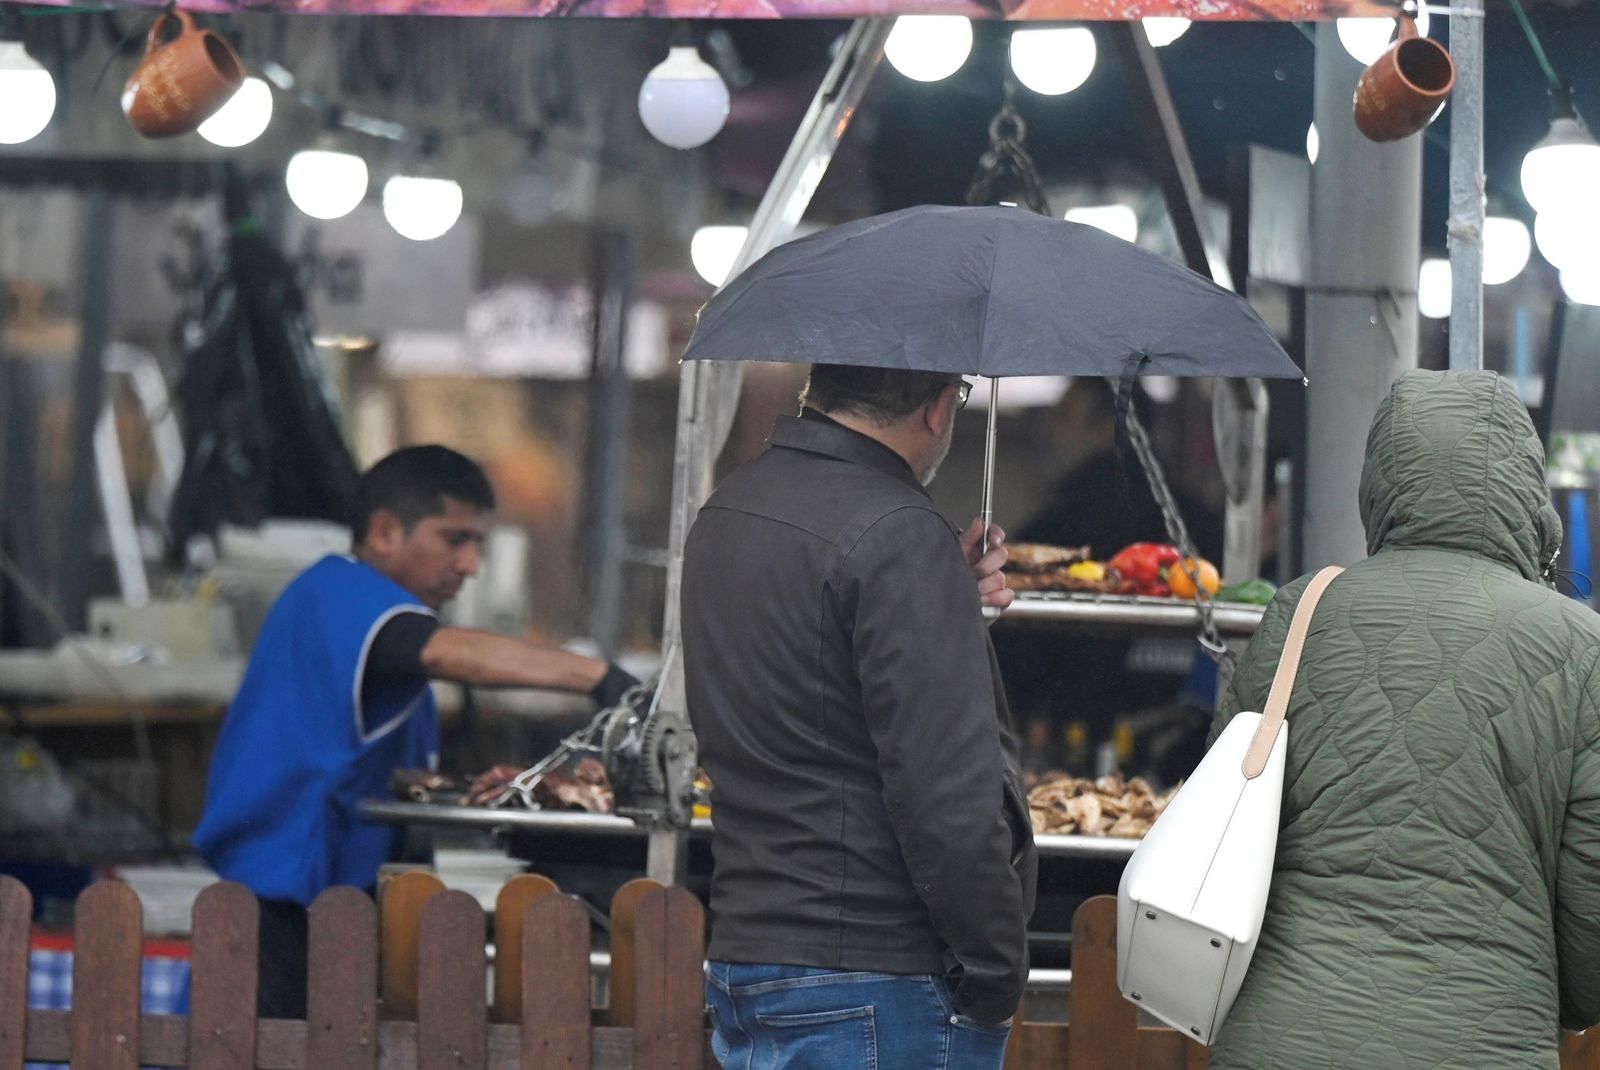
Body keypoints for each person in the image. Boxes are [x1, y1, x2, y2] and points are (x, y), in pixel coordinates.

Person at [1208, 370, 1600, 1068]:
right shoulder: (1581, 649)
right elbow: (1592, 915)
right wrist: (1538, 991)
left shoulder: (1298, 613)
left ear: (1380, 483)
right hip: (1482, 1041)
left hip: (1282, 1040)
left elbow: (1222, 825)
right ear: (1526, 489)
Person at [192, 445, 638, 1018]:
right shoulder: (339, 596)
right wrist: (600, 676)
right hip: (279, 911)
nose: (472, 564)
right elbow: (445, 651)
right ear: (384, 532)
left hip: (336, 910)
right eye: (455, 540)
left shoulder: (367, 619)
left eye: (478, 543)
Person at [682, 364, 1036, 1070]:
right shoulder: (901, 531)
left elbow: (809, 685)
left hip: (752, 947)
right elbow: (945, 795)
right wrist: (997, 970)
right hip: (881, 971)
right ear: (939, 408)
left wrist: (943, 596)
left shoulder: (732, 505)